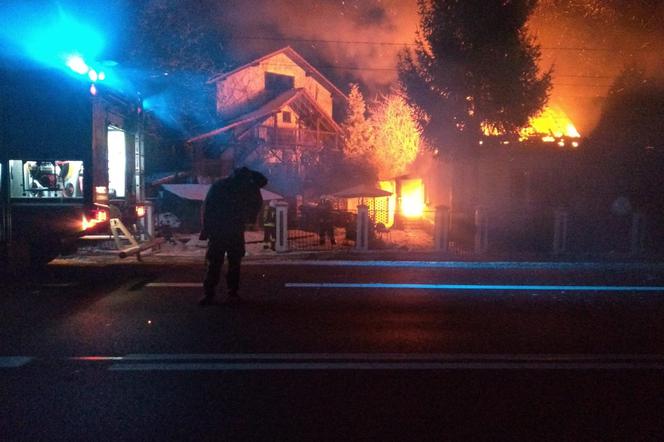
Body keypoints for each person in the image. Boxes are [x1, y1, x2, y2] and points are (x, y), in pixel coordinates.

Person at [198, 167, 267, 305]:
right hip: (234, 230)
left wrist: (206, 229)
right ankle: (232, 293)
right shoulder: (246, 186)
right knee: (234, 263)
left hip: (218, 230)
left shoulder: (220, 186)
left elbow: (207, 207)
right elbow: (262, 182)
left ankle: (209, 293)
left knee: (215, 263)